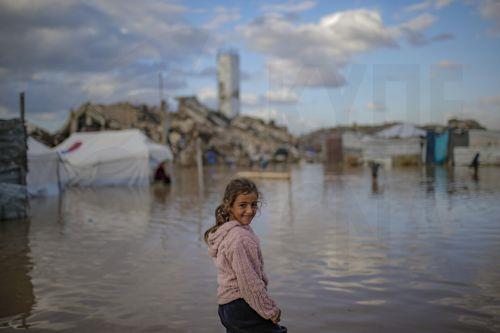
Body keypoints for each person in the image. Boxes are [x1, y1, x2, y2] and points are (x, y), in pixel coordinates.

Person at [204, 178, 286, 333]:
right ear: (229, 205)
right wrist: (271, 311)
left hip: (226, 306)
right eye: (243, 205)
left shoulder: (227, 232)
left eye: (254, 204)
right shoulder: (240, 238)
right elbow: (250, 283)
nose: (250, 210)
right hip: (242, 304)